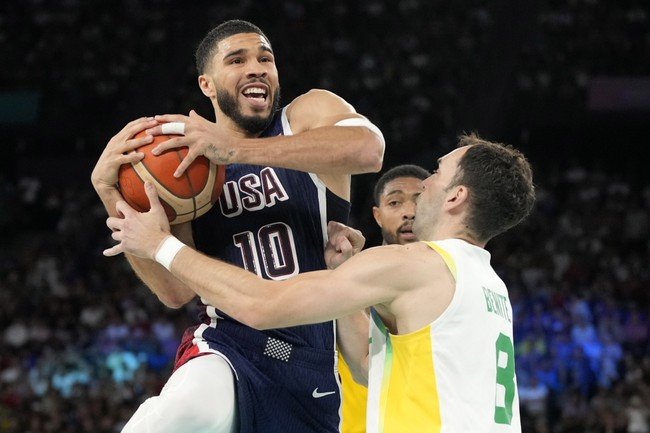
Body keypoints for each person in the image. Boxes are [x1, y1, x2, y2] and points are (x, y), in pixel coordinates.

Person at [104, 133, 536, 432]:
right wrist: (339, 276)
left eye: (438, 174)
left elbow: (263, 306)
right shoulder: (489, 285)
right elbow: (370, 369)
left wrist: (160, 245)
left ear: (457, 197)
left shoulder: (416, 265)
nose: (425, 183)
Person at [91, 19, 384, 433]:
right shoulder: (184, 164)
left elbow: (368, 149)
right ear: (207, 85)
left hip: (310, 359)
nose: (257, 67)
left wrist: (236, 149)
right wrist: (109, 192)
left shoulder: (306, 115)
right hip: (228, 344)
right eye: (237, 59)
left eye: (266, 58)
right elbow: (175, 292)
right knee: (180, 416)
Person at [339, 163, 430, 433]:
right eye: (395, 202)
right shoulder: (346, 273)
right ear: (377, 216)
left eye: (420, 200)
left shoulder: (455, 278)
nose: (409, 212)